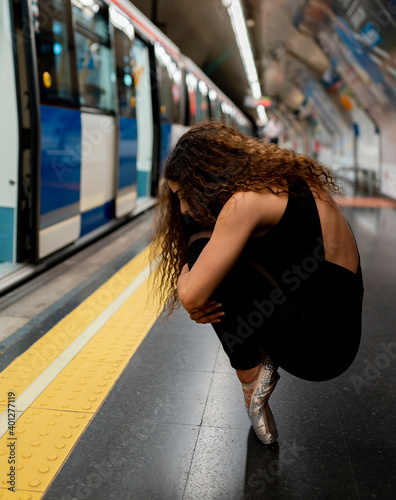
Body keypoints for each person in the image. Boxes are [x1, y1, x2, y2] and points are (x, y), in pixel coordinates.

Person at [151, 121, 364, 445]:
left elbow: (192, 296)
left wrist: (186, 276)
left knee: (199, 246)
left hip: (321, 344)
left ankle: (250, 375)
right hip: (336, 332)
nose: (181, 208)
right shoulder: (278, 180)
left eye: (183, 195)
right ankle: (252, 371)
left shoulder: (245, 202)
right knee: (213, 252)